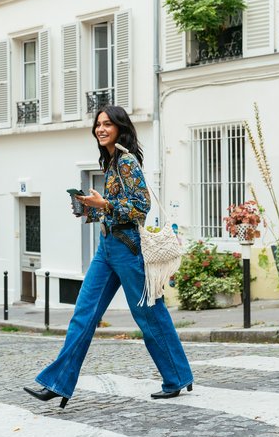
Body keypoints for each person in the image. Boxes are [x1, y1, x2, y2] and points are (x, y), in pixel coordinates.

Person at [24, 105, 194, 409]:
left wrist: (105, 205)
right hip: (107, 247)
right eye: (97, 124)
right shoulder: (111, 161)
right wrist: (89, 207)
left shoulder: (127, 161)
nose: (100, 129)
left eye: (107, 124)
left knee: (149, 315)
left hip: (128, 250)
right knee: (83, 314)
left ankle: (177, 376)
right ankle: (58, 382)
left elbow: (141, 209)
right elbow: (113, 207)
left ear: (120, 128)